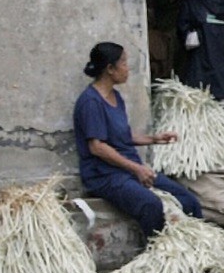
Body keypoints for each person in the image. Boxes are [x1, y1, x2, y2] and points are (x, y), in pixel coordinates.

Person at [73, 42, 202, 236]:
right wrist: (137, 168)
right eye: (124, 62)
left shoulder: (115, 96)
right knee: (150, 205)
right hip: (105, 175)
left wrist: (155, 138)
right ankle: (156, 252)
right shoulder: (90, 102)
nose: (127, 68)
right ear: (110, 69)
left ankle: (198, 245)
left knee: (188, 200)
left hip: (128, 170)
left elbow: (122, 136)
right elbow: (97, 147)